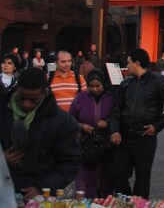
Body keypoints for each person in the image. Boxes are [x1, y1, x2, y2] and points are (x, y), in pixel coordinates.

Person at [0, 67, 81, 201]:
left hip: (42, 196)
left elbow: (70, 163)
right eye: (22, 98)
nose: (27, 104)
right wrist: (2, 160)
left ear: (44, 93)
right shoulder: (3, 114)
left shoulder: (62, 122)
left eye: (33, 99)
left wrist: (43, 188)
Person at [109, 48, 164, 198]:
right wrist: (114, 130)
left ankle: (139, 203)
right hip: (124, 138)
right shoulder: (126, 83)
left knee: (142, 180)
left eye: (128, 63)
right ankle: (127, 201)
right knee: (117, 174)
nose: (126, 66)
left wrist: (157, 126)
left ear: (137, 63)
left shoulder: (159, 81)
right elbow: (116, 109)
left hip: (145, 138)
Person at [69, 70, 114, 198]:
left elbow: (118, 117)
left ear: (103, 83)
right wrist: (82, 126)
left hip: (106, 144)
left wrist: (107, 122)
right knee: (84, 177)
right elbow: (70, 119)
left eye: (98, 86)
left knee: (105, 177)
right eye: (91, 86)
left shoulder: (112, 98)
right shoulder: (80, 98)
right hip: (85, 145)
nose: (95, 89)